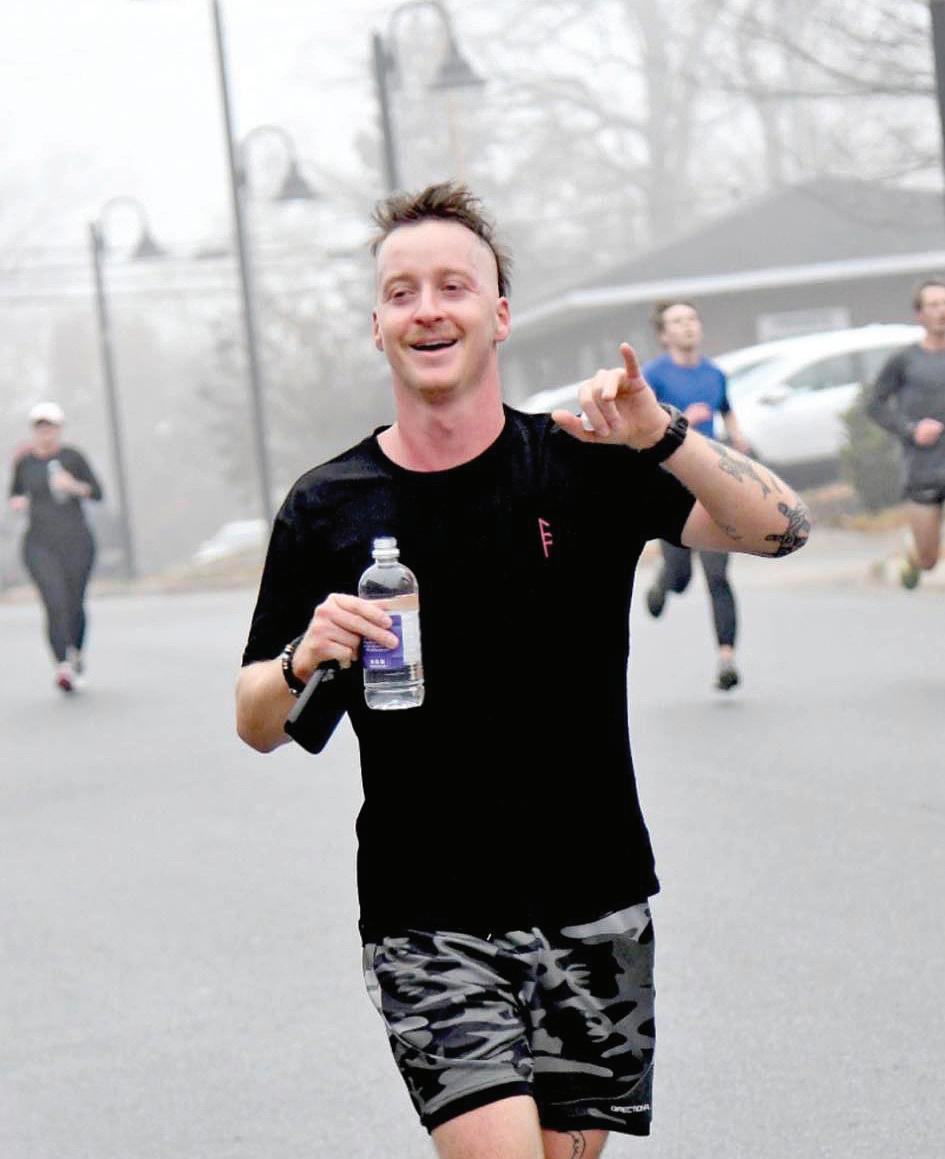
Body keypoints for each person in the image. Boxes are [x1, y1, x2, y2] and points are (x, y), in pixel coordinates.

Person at [236, 183, 810, 1159]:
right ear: (377, 326)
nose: (427, 309)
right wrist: (302, 654)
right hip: (428, 916)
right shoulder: (328, 506)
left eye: (452, 286)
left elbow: (783, 529)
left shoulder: (582, 462)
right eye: (401, 292)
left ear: (499, 314)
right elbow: (256, 717)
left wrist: (661, 435)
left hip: (595, 897)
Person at [642, 300, 752, 691]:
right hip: (671, 486)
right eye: (677, 321)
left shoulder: (715, 374)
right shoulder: (652, 375)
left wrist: (738, 440)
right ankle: (663, 583)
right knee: (681, 576)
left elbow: (726, 411)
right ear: (663, 334)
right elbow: (645, 426)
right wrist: (684, 419)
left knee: (718, 574)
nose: (687, 326)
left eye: (691, 319)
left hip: (712, 484)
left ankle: (727, 659)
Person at [7, 402, 103, 692]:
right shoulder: (25, 463)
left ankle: (76, 653)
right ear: (34, 431)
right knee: (54, 601)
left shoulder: (72, 457)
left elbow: (97, 492)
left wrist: (73, 486)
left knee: (74, 601)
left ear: (59, 429)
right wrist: (17, 502)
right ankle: (62, 665)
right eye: (40, 428)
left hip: (76, 541)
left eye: (50, 427)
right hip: (40, 543)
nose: (45, 433)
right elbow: (14, 493)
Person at [868, 277, 945, 588]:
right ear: (920, 315)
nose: (942, 311)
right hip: (923, 469)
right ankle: (912, 554)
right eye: (934, 305)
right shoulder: (904, 361)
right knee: (928, 560)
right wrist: (911, 430)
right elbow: (874, 405)